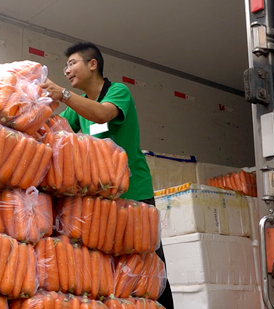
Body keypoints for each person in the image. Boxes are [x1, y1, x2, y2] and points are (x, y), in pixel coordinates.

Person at [40, 42, 174, 309]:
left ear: (93, 64)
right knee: (110, 266)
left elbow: (103, 113)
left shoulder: (117, 92)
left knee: (148, 265)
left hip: (134, 195)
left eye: (72, 63)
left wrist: (63, 93)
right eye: (65, 66)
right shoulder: (82, 105)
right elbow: (58, 127)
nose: (67, 70)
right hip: (104, 200)